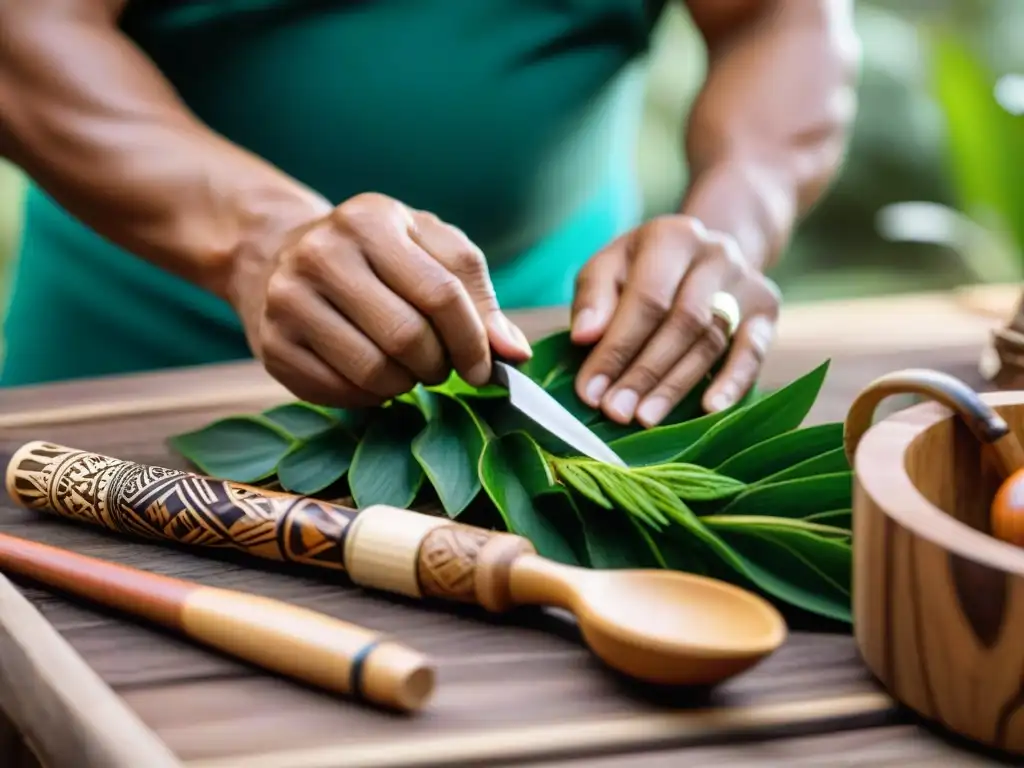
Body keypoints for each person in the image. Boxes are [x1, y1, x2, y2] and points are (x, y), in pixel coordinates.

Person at [0, 0, 858, 428]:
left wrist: (732, 219)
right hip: (136, 367)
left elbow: (777, 19)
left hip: (546, 365)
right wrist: (258, 238)